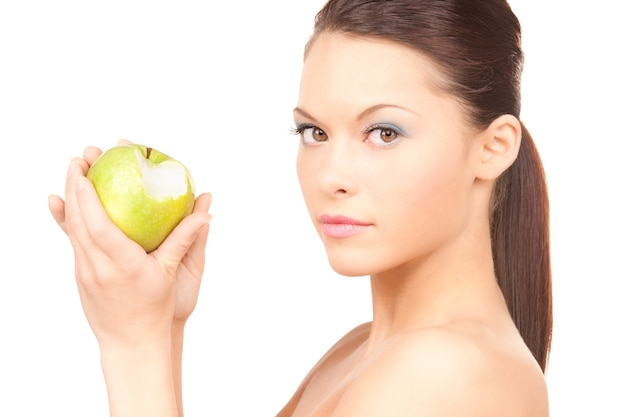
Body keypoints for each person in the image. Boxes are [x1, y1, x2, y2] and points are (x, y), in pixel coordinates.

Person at [48, 0, 552, 415]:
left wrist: (132, 344)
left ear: (493, 147)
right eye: (315, 132)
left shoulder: (446, 370)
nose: (330, 176)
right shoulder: (363, 349)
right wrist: (161, 325)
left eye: (384, 132)